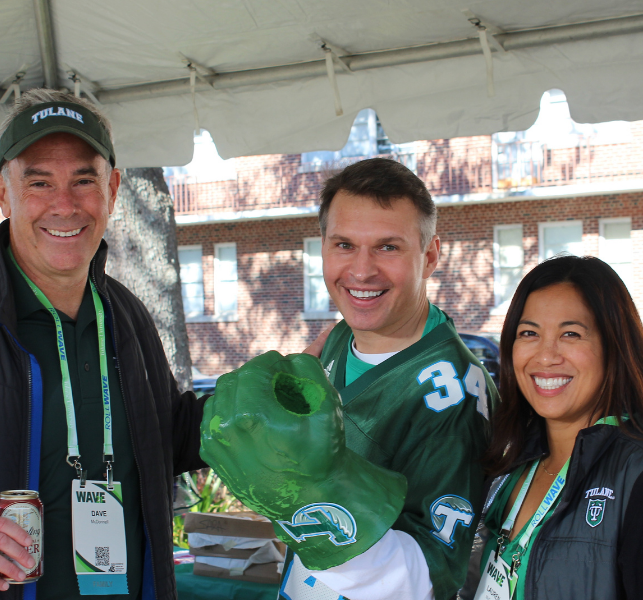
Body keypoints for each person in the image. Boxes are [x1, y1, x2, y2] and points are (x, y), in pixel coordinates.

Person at [0, 90, 205, 600]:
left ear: (112, 188)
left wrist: (265, 397)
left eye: (83, 180)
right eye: (39, 182)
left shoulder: (128, 318)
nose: (64, 205)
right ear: (3, 192)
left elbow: (164, 441)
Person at [202, 158, 498, 600]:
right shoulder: (341, 336)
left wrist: (304, 497)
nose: (361, 271)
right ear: (322, 245)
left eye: (387, 247)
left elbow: (431, 574)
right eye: (344, 245)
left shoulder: (452, 397)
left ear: (430, 255)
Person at [461, 255, 643, 600]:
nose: (545, 356)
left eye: (570, 334)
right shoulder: (506, 468)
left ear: (613, 348)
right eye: (529, 333)